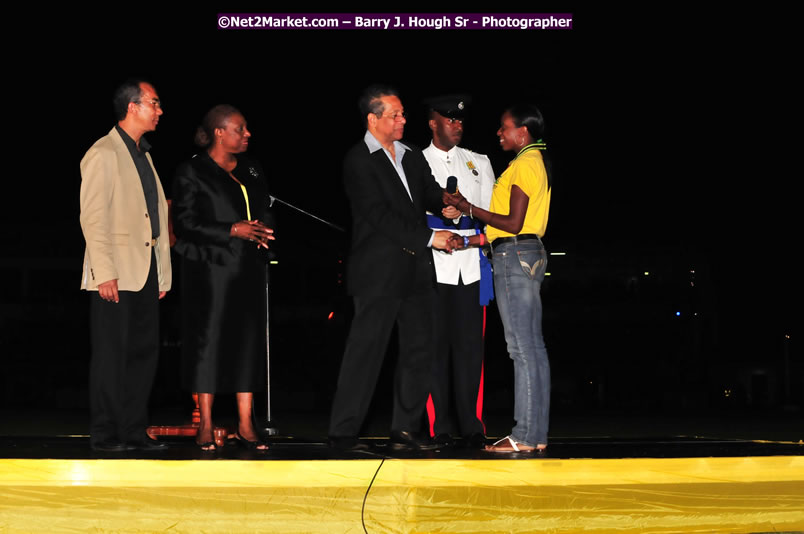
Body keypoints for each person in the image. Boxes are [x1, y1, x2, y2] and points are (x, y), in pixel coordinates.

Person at [328, 85, 459, 451]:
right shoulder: (358, 160)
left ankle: (404, 431)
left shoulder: (411, 154)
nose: (403, 120)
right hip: (378, 272)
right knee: (366, 353)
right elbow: (380, 216)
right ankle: (343, 433)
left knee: (420, 350)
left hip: (416, 270)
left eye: (403, 114)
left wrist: (447, 204)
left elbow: (429, 193)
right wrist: (432, 237)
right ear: (373, 119)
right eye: (395, 115)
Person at [444, 104, 553, 454]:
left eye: (504, 127)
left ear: (522, 131)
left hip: (515, 255)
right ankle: (535, 435)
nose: (499, 133)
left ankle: (522, 435)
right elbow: (504, 229)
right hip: (528, 252)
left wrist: (468, 208)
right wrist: (470, 239)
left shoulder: (523, 165)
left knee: (521, 348)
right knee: (531, 348)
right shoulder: (536, 163)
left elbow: (512, 223)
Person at [172, 105, 275, 452]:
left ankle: (247, 424)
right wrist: (231, 229)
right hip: (210, 271)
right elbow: (185, 223)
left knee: (248, 343)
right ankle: (206, 424)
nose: (247, 135)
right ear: (219, 132)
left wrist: (263, 231)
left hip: (248, 269)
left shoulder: (252, 168)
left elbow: (263, 211)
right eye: (240, 129)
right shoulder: (193, 170)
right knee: (209, 343)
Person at [79, 79, 172, 452]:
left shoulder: (143, 154)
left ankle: (134, 431)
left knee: (143, 354)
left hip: (145, 270)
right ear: (133, 107)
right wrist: (105, 272)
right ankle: (104, 434)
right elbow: (93, 218)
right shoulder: (103, 152)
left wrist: (162, 271)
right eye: (154, 103)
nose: (160, 110)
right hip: (114, 273)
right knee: (110, 356)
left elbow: (154, 217)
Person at [421, 95, 495, 448]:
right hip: (432, 266)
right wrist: (437, 219)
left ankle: (472, 424)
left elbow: (492, 214)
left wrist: (470, 226)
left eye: (460, 120)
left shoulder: (479, 162)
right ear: (433, 122)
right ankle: (440, 426)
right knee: (433, 348)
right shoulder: (413, 162)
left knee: (471, 350)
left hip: (471, 265)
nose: (457, 124)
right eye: (449, 119)